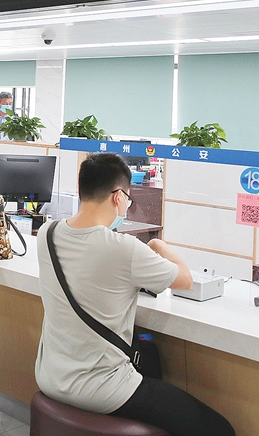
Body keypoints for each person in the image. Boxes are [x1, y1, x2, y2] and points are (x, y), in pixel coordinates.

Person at [35, 153, 233, 436]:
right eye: (128, 198)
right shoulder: (125, 249)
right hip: (103, 389)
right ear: (118, 197)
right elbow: (185, 280)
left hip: (50, 377)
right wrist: (158, 246)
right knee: (220, 429)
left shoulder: (47, 234)